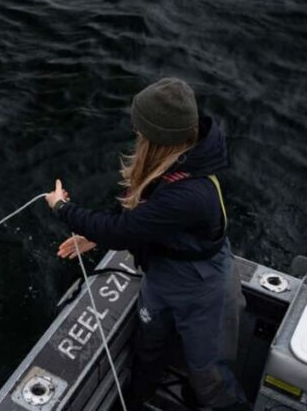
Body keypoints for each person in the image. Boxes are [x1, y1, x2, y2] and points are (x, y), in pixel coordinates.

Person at [45, 77, 248, 410]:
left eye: (140, 128)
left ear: (159, 137)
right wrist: (92, 235)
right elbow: (137, 210)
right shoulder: (174, 163)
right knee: (148, 346)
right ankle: (140, 400)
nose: (136, 132)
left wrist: (62, 209)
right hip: (162, 275)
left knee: (208, 373)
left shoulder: (191, 194)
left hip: (204, 290)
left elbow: (126, 231)